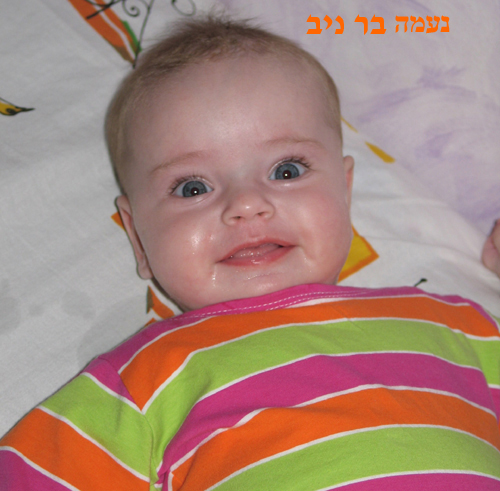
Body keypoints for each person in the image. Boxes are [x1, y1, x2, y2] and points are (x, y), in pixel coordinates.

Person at [1, 15, 500, 490]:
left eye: (286, 171)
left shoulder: (456, 326)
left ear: (345, 192)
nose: (246, 204)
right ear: (137, 237)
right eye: (193, 187)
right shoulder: (146, 377)